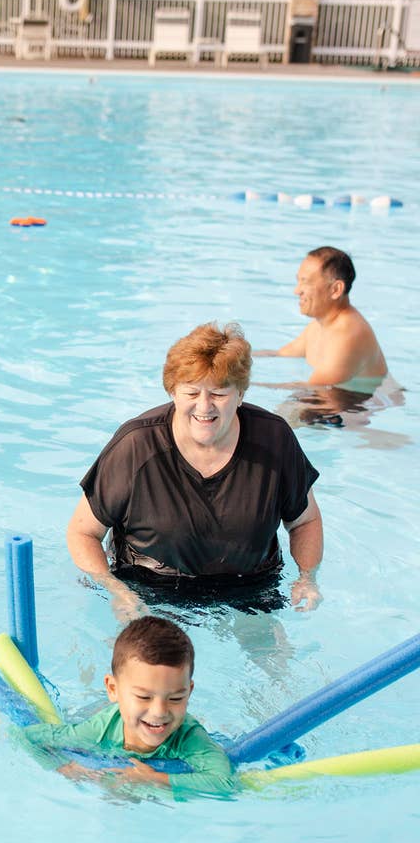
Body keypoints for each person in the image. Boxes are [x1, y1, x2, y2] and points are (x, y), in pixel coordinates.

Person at [67, 322, 323, 616]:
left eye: (219, 393)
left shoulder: (275, 441)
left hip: (252, 587)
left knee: (276, 657)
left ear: (240, 394)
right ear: (173, 392)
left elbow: (305, 522)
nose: (204, 407)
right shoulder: (135, 447)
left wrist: (307, 579)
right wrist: (116, 591)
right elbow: (83, 533)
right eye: (191, 393)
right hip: (150, 589)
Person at [19, 616, 237, 796]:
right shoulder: (97, 731)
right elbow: (24, 737)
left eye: (176, 698)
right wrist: (63, 768)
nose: (160, 712)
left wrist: (154, 779)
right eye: (144, 697)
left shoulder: (189, 737)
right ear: (113, 689)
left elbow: (224, 784)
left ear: (189, 692)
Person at [254, 247, 388, 388]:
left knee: (296, 405)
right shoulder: (320, 324)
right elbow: (280, 354)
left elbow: (313, 389)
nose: (297, 291)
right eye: (298, 281)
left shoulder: (347, 334)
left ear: (335, 290)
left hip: (361, 403)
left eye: (305, 282)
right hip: (337, 397)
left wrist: (243, 387)